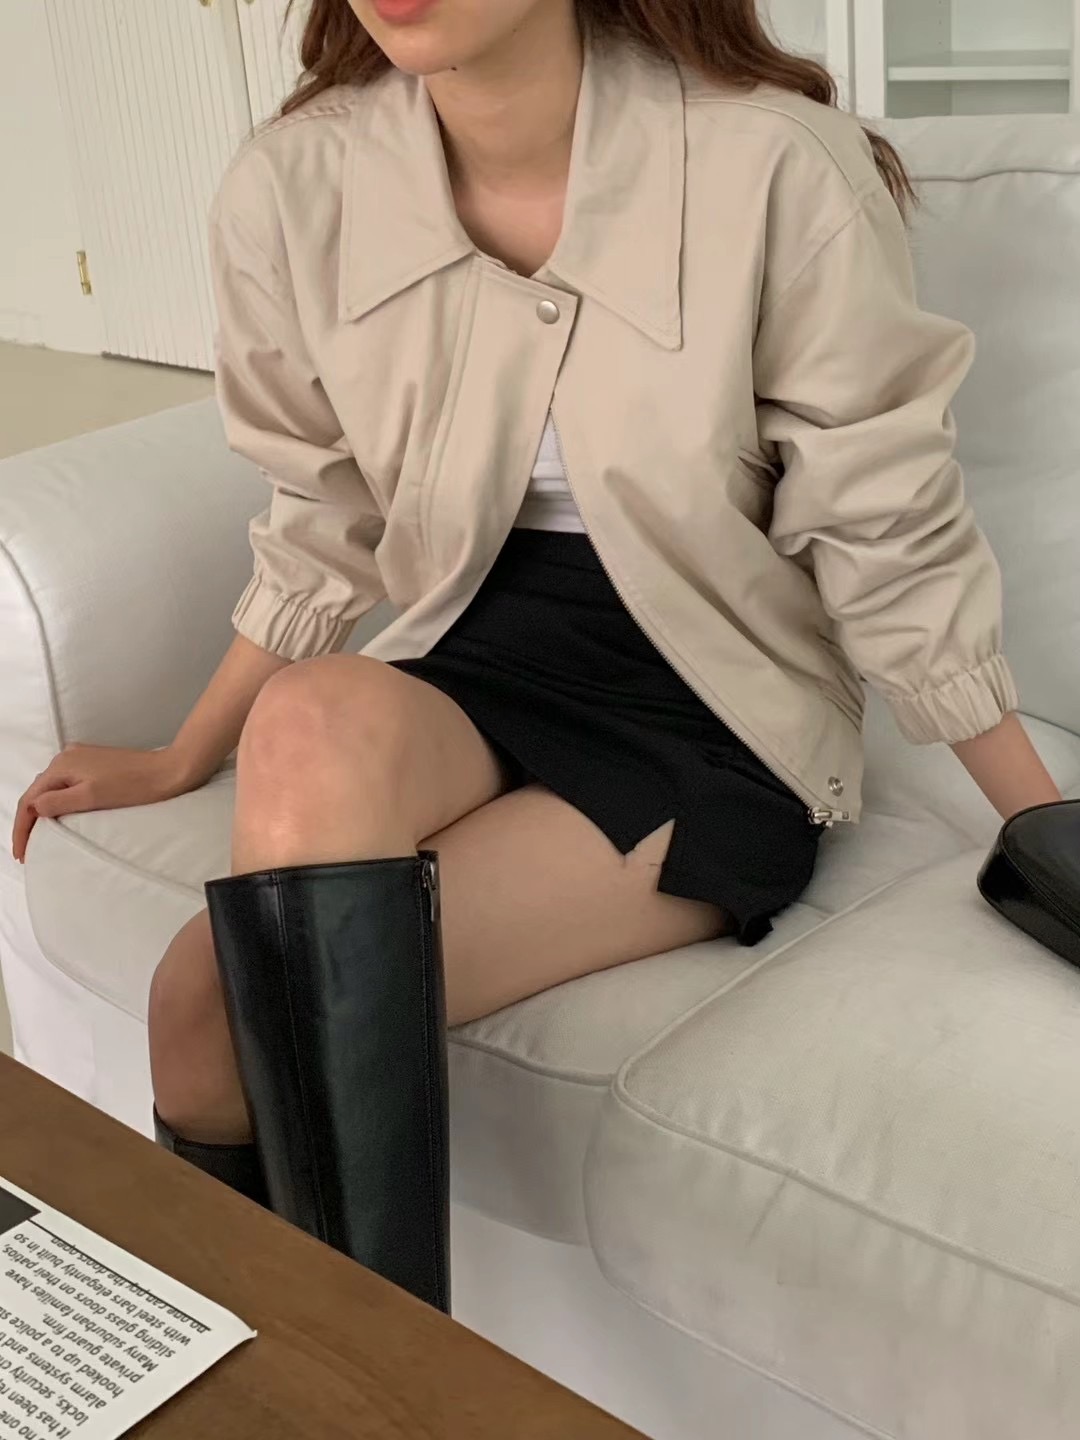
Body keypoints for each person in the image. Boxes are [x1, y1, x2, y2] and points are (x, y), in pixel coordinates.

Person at [11, 0, 1061, 1312]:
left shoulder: (772, 164)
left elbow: (884, 527)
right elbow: (324, 516)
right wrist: (185, 750)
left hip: (710, 704)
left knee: (203, 1008)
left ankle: (366, 1381)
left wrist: (1045, 831)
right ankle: (353, 1383)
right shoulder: (299, 183)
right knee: (307, 722)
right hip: (466, 650)